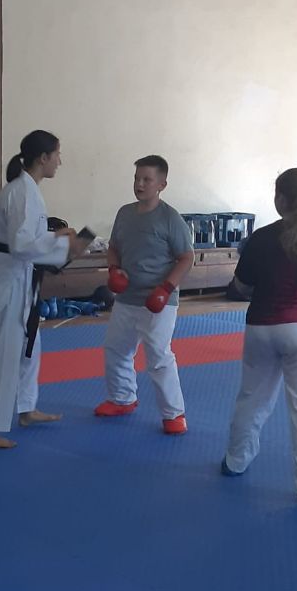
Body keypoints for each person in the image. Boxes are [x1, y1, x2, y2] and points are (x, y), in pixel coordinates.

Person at [221, 168, 297, 503]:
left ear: (278, 200)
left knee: (252, 398)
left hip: (260, 328)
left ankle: (235, 461)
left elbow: (240, 287)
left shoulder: (260, 239)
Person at [0, 130, 89, 449]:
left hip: (19, 276)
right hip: (9, 280)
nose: (60, 161)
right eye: (57, 155)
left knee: (29, 346)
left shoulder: (28, 190)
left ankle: (26, 408)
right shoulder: (22, 192)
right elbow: (21, 245)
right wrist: (62, 242)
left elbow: (26, 242)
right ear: (43, 157)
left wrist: (62, 244)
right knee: (6, 356)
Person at [94, 155, 195, 434]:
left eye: (146, 179)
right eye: (137, 178)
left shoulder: (170, 218)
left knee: (159, 356)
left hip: (159, 300)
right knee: (116, 349)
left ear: (161, 185)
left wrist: (166, 288)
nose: (139, 184)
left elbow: (187, 257)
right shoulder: (125, 213)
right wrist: (114, 269)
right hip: (127, 297)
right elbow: (114, 247)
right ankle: (122, 398)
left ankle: (174, 414)